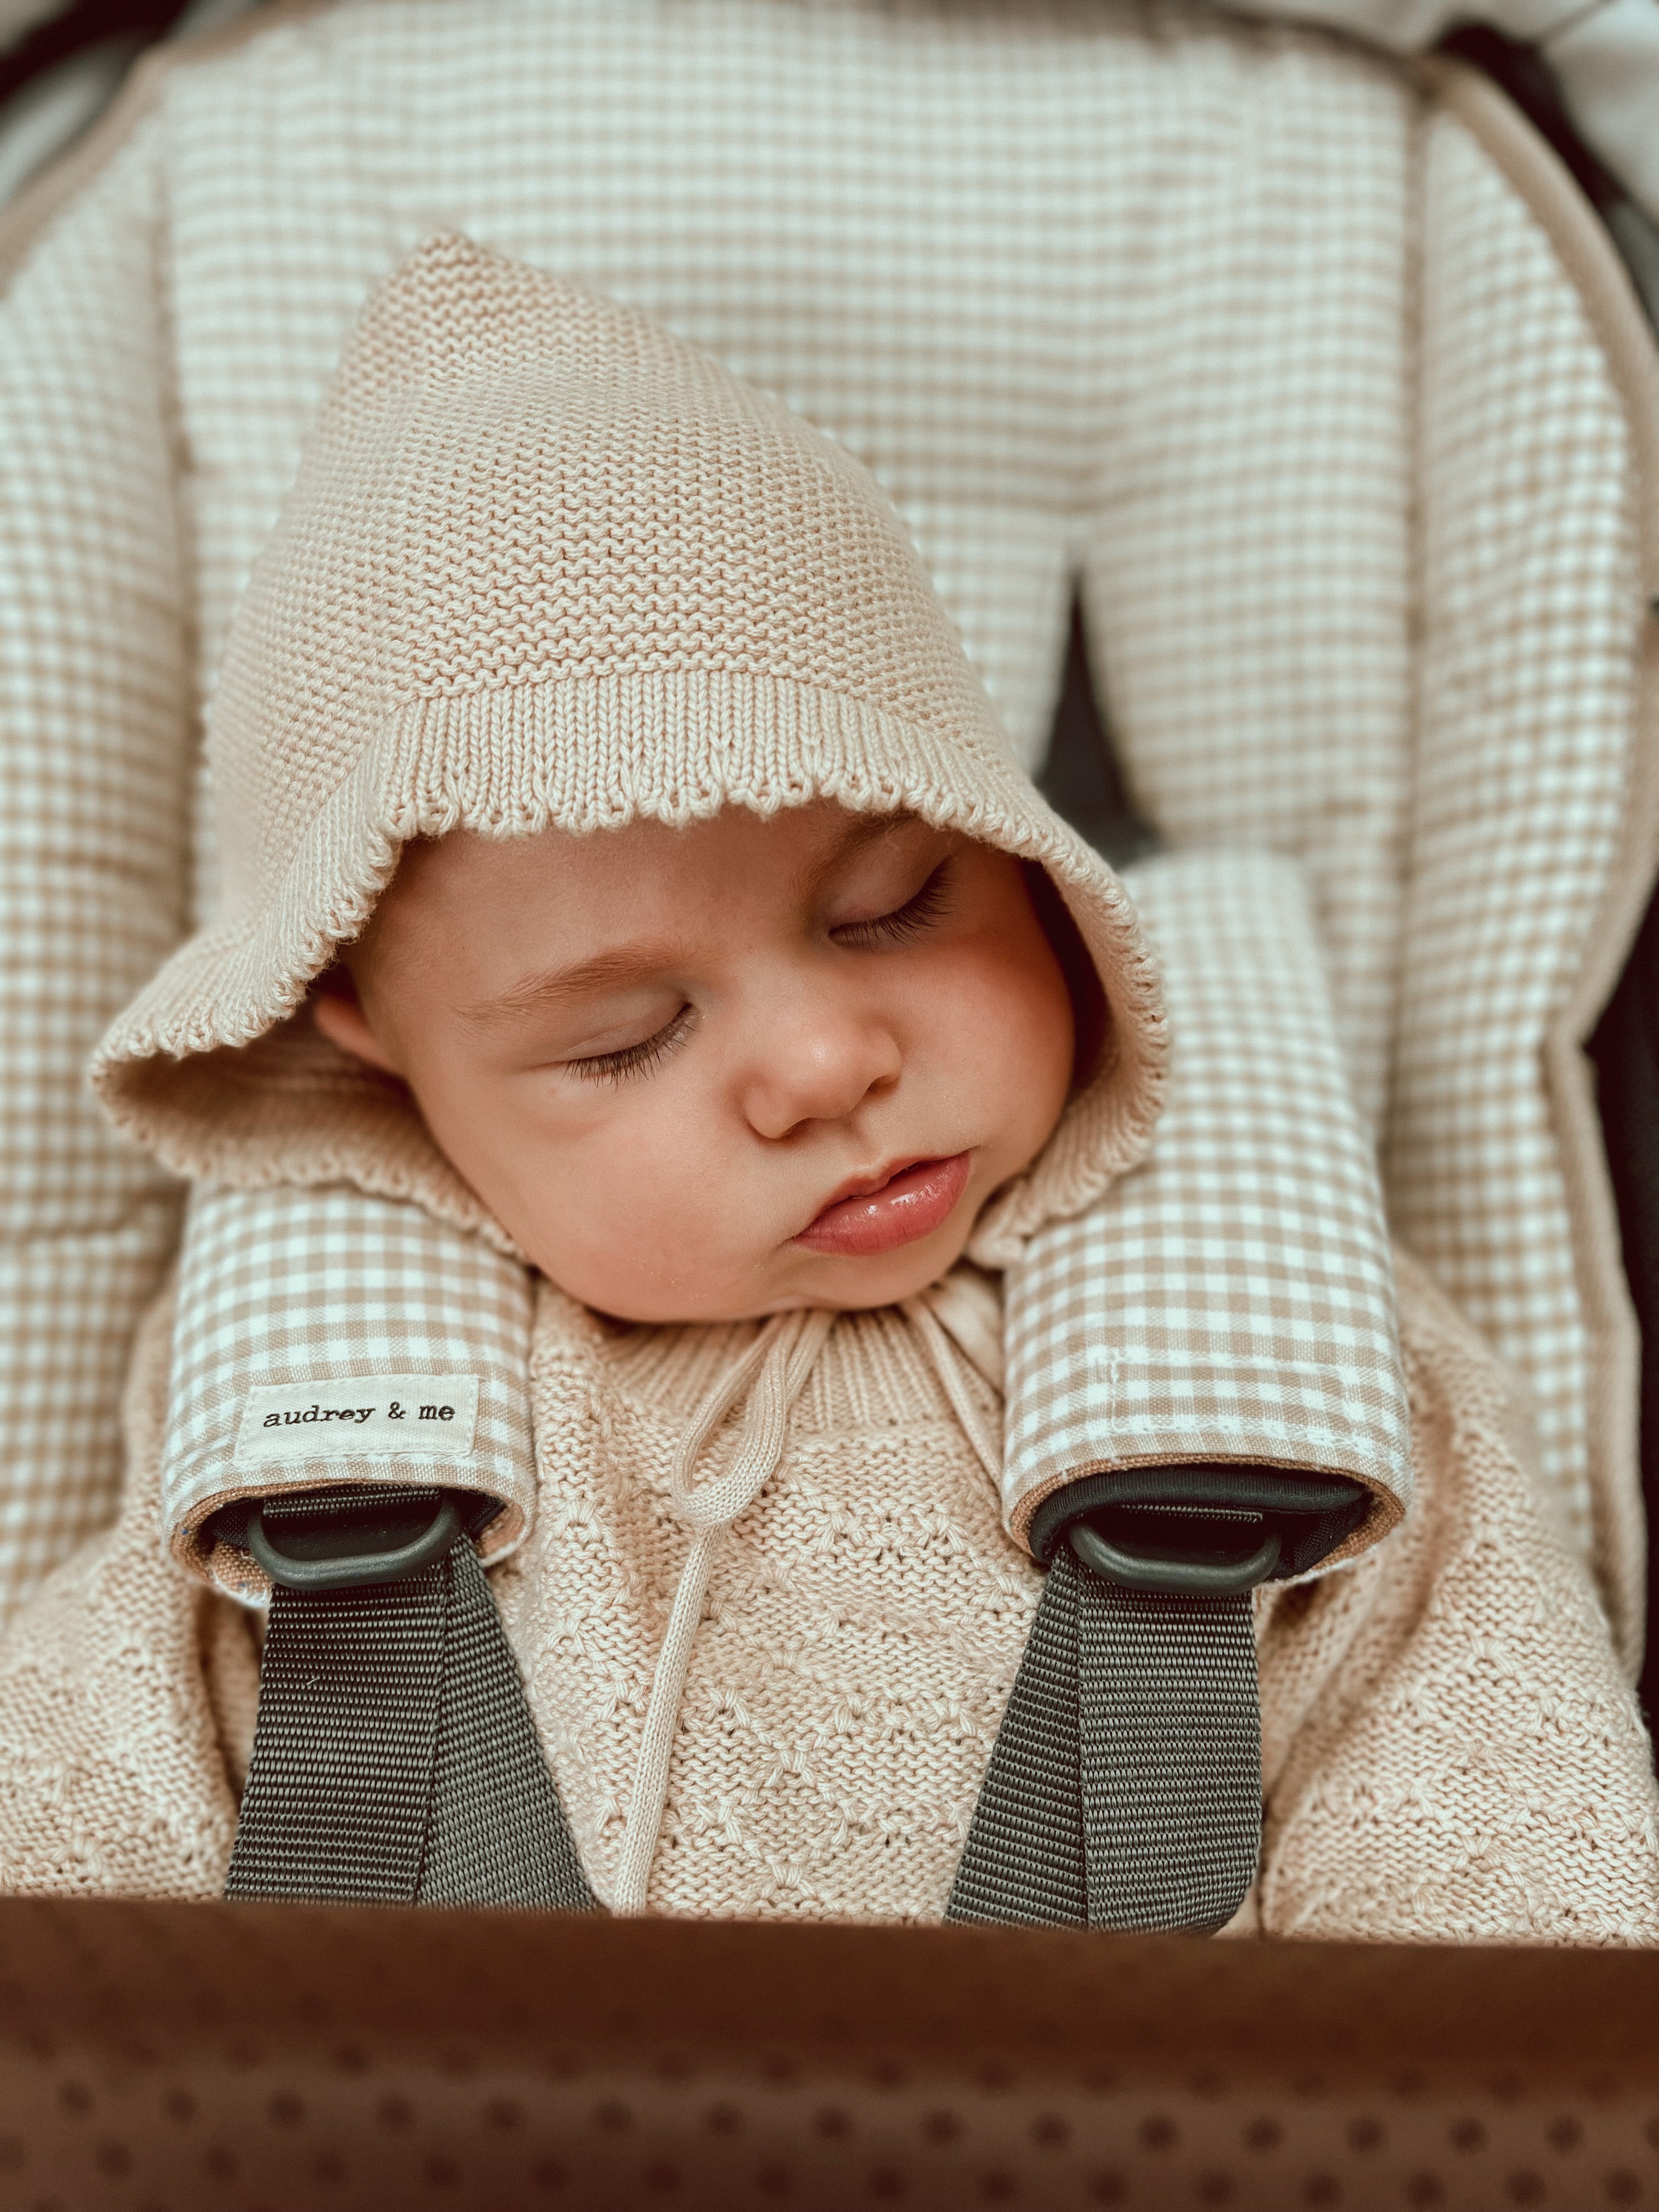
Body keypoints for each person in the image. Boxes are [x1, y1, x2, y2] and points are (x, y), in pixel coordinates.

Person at [1, 233, 1654, 1939]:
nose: (821, 1065)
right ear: (376, 1048)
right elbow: (85, 1785)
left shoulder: (1281, 1337)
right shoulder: (325, 1419)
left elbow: (1506, 1814)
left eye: (896, 908)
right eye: (626, 1037)